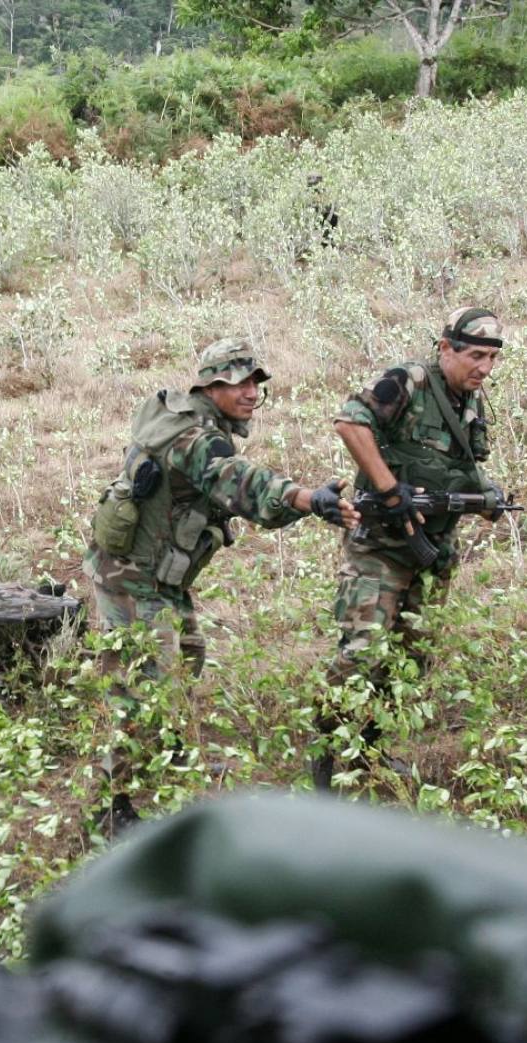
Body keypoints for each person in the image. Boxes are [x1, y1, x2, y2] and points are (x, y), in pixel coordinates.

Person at [83, 337, 359, 833]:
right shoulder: (196, 439)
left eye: (256, 383)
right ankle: (109, 807)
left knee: (187, 657)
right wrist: (305, 499)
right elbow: (242, 484)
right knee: (142, 691)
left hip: (157, 577)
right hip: (134, 579)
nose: (251, 393)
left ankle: (168, 754)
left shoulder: (179, 415)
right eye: (239, 383)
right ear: (210, 386)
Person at [325, 306, 510, 683]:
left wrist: (485, 494)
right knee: (362, 653)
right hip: (379, 548)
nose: (486, 368)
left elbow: (455, 468)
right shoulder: (410, 380)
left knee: (412, 662)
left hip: (432, 551)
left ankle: (377, 738)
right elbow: (350, 423)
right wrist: (391, 490)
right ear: (446, 348)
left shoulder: (471, 403)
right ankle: (330, 737)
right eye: (476, 355)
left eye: (492, 357)